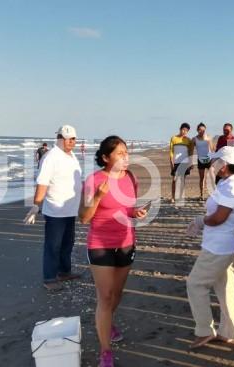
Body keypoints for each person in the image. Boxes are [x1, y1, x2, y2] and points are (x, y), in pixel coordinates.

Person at [78, 136, 148, 367]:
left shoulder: (131, 178)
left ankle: (107, 322)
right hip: (100, 244)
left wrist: (134, 212)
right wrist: (98, 196)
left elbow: (126, 208)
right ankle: (105, 352)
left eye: (126, 152)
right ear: (106, 158)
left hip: (126, 241)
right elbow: (84, 218)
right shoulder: (94, 179)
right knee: (105, 297)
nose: (125, 157)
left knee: (116, 295)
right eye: (119, 153)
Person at [185, 146, 234, 349]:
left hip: (219, 247)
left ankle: (204, 330)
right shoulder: (230, 183)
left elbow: (219, 218)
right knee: (225, 287)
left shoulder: (232, 187)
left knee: (195, 284)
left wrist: (200, 221)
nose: (212, 164)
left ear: (224, 166)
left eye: (215, 162)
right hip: (224, 245)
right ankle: (228, 331)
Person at [24, 125, 83, 291]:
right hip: (56, 211)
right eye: (68, 139)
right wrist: (36, 205)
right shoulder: (51, 157)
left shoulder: (72, 156)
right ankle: (49, 277)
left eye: (73, 138)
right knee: (53, 245)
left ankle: (64, 271)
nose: (72, 142)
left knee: (68, 243)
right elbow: (42, 182)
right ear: (59, 139)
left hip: (70, 210)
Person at [169, 122, 194, 201]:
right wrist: (171, 162)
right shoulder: (173, 138)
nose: (184, 132)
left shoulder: (188, 140)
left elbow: (191, 152)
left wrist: (191, 163)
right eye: (183, 130)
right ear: (180, 129)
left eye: (186, 131)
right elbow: (171, 152)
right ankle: (173, 197)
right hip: (176, 162)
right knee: (174, 180)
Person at [194, 123, 215, 200]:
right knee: (202, 178)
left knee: (212, 178)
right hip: (200, 160)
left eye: (203, 130)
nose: (202, 131)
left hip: (209, 160)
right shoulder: (194, 139)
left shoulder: (208, 137)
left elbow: (212, 149)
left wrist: (213, 159)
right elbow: (190, 149)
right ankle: (201, 195)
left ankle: (214, 194)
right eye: (200, 130)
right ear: (197, 130)